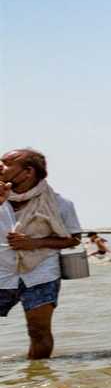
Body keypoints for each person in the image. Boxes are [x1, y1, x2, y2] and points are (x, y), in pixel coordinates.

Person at [0, 148, 82, 359]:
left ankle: (37, 379)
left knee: (38, 331)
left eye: (6, 163)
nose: (0, 167)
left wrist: (34, 243)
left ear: (28, 172)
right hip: (2, 272)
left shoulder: (60, 203)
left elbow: (74, 238)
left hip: (41, 272)